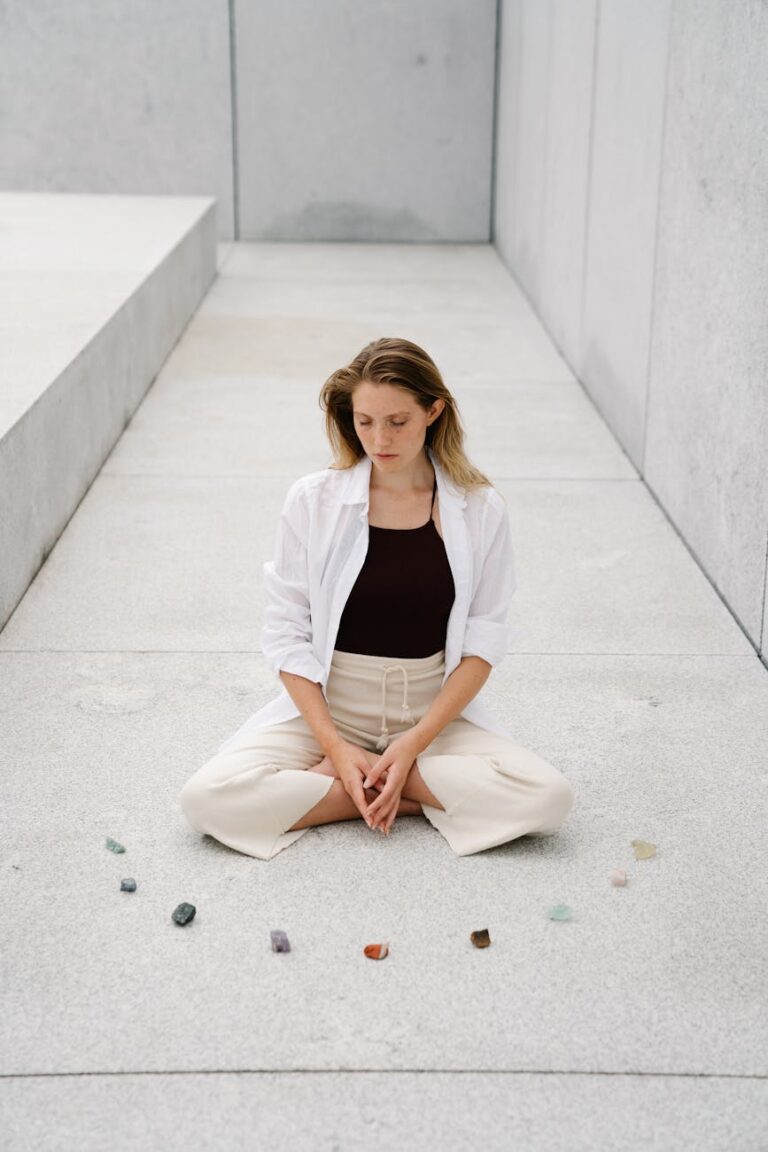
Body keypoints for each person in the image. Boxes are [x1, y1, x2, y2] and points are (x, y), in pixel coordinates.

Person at [178, 337, 574, 860]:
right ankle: (396, 791)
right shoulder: (313, 499)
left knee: (549, 797)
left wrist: (411, 748)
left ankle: (377, 786)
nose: (379, 439)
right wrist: (337, 749)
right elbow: (286, 633)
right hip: (333, 707)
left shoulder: (479, 509)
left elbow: (484, 642)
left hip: (431, 713)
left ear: (434, 411)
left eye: (397, 421)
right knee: (206, 799)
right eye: (365, 421)